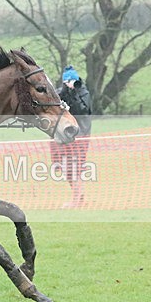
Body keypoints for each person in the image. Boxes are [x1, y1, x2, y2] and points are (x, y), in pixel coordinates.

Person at [53, 65, 92, 207]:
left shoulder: (84, 93)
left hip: (80, 135)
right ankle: (79, 196)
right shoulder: (61, 93)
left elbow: (82, 110)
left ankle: (76, 200)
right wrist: (65, 91)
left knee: (75, 167)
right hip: (65, 136)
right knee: (65, 168)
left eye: (74, 81)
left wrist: (73, 93)